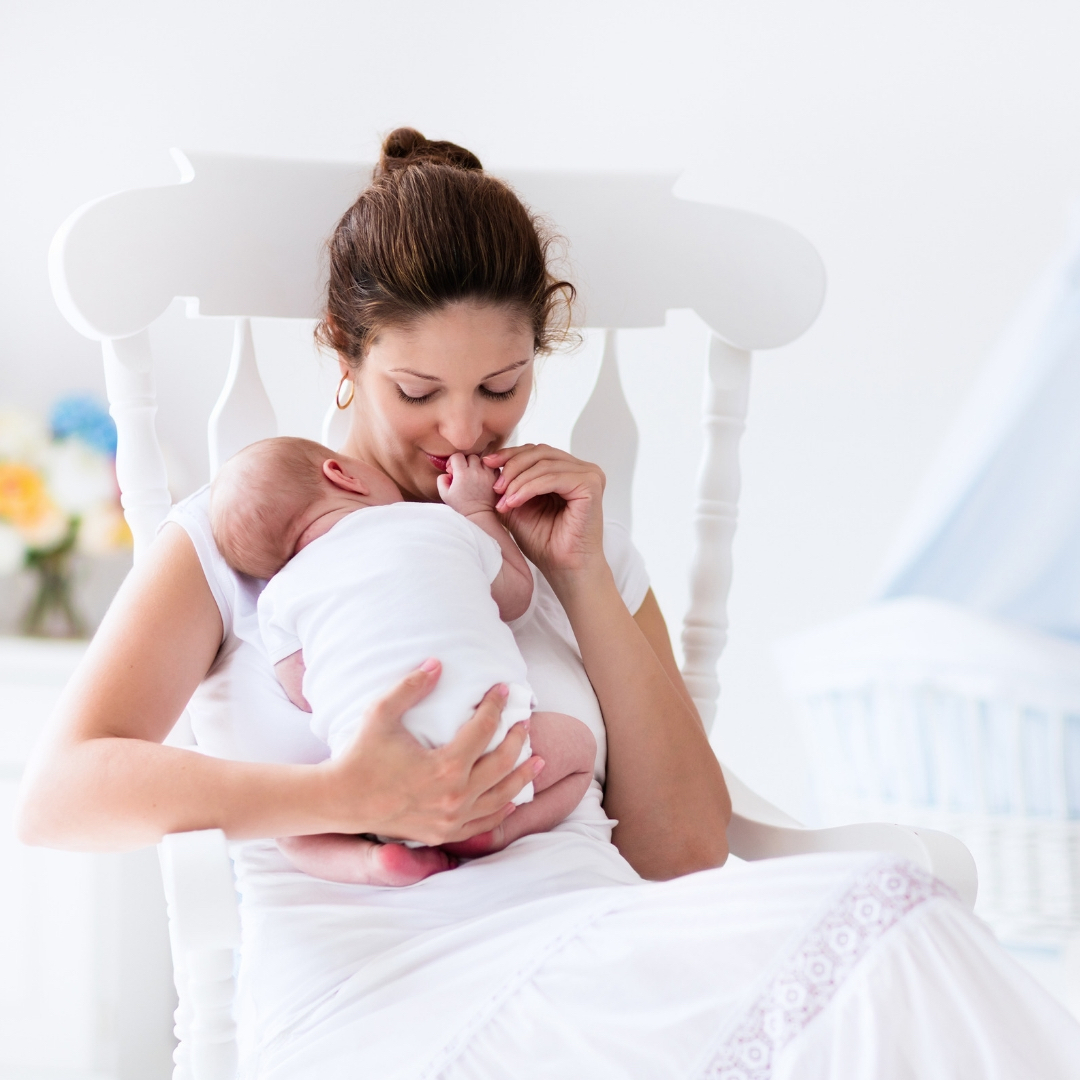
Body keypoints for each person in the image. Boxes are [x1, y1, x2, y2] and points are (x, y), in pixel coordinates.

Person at [17, 128, 1080, 1078]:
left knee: (895, 908)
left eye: (502, 387)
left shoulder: (564, 531)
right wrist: (348, 793)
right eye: (417, 393)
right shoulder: (244, 530)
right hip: (383, 994)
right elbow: (59, 795)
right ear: (343, 357)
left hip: (597, 949)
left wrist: (578, 575)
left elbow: (681, 851)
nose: (463, 432)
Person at [209, 435, 597, 880]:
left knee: (292, 833)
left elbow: (303, 693)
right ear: (342, 474)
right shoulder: (437, 522)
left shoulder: (276, 598)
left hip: (373, 778)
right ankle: (496, 831)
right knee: (579, 748)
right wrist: (476, 512)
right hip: (496, 755)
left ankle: (374, 861)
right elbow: (514, 594)